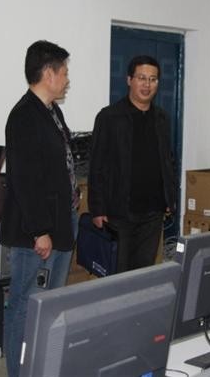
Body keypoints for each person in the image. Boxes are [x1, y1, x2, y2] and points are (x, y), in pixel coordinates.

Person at [1, 40, 78, 377]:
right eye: (64, 73)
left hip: (61, 222)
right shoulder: (23, 116)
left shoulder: (52, 111)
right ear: (48, 73)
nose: (67, 80)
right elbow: (24, 179)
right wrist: (40, 231)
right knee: (25, 304)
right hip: (37, 232)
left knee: (50, 303)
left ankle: (42, 367)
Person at [88, 55, 175, 272]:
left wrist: (169, 196)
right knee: (118, 276)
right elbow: (97, 166)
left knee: (143, 274)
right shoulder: (109, 117)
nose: (147, 85)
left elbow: (167, 160)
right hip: (119, 213)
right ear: (129, 80)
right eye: (142, 78)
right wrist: (97, 209)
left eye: (153, 79)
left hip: (153, 213)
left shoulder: (162, 118)